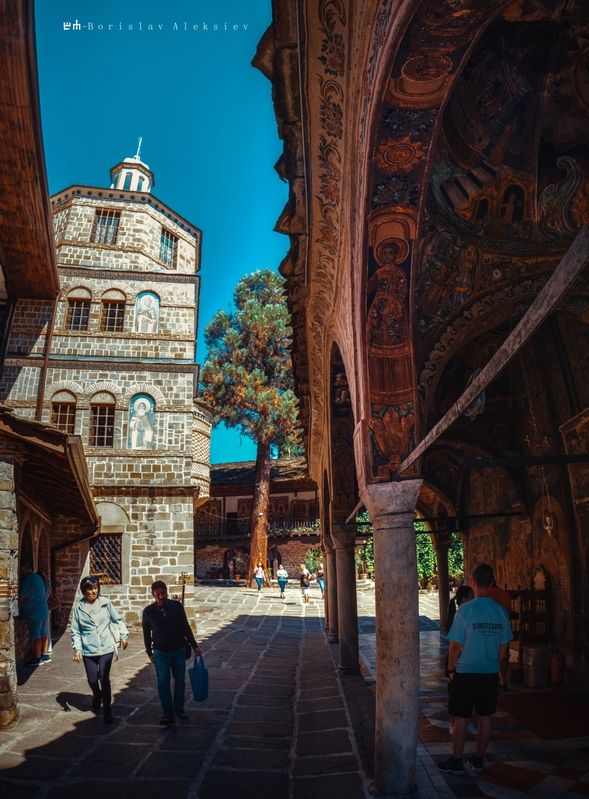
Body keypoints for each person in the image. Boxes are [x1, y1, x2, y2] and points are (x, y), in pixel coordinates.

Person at [438, 563, 512, 776]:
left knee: (461, 718)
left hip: (466, 673)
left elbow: (455, 645)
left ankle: (456, 761)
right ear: (492, 582)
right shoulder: (500, 611)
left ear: (472, 582)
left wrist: (450, 670)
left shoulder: (466, 610)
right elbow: (504, 645)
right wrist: (495, 664)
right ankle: (478, 759)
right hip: (489, 673)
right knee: (485, 717)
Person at [71, 576, 128, 724]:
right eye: (90, 589)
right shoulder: (78, 608)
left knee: (104, 678)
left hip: (106, 648)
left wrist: (124, 635)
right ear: (84, 591)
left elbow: (118, 620)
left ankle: (107, 710)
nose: (93, 591)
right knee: (92, 679)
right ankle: (97, 695)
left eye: (95, 588)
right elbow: (75, 631)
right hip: (88, 650)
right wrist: (77, 649)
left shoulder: (105, 603)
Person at [142, 580, 201, 725]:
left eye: (163, 593)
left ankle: (179, 709)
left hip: (178, 649)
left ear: (167, 592)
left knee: (180, 681)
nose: (161, 597)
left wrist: (194, 645)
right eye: (158, 594)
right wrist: (149, 652)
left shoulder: (176, 606)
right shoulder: (148, 612)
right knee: (163, 681)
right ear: (153, 595)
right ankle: (167, 714)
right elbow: (146, 633)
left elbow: (185, 627)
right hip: (160, 652)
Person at [18, 563, 49, 666]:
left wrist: (18, 604)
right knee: (43, 633)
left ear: (25, 568)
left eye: (21, 569)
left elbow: (22, 595)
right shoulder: (37, 577)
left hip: (34, 611)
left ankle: (37, 657)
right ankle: (45, 655)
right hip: (43, 609)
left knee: (36, 635)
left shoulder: (28, 579)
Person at [489, 578, 512, 690]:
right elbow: (509, 612)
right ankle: (504, 680)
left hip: (490, 630)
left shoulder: (487, 595)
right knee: (504, 655)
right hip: (503, 628)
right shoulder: (504, 594)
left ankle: (492, 678)